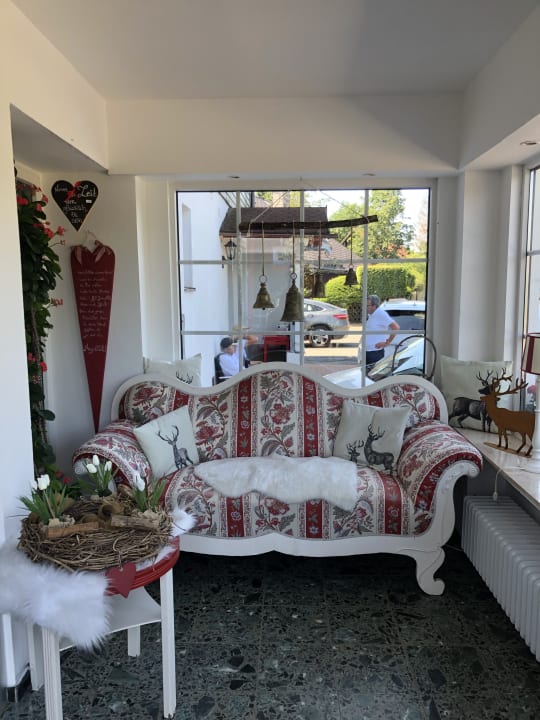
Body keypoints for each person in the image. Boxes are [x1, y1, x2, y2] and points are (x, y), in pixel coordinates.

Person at [363, 294, 400, 370]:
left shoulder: (380, 313)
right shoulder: (372, 315)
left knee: (373, 375)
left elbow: (396, 327)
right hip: (368, 351)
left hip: (375, 353)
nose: (365, 308)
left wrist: (387, 342)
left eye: (367, 306)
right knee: (366, 375)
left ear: (374, 306)